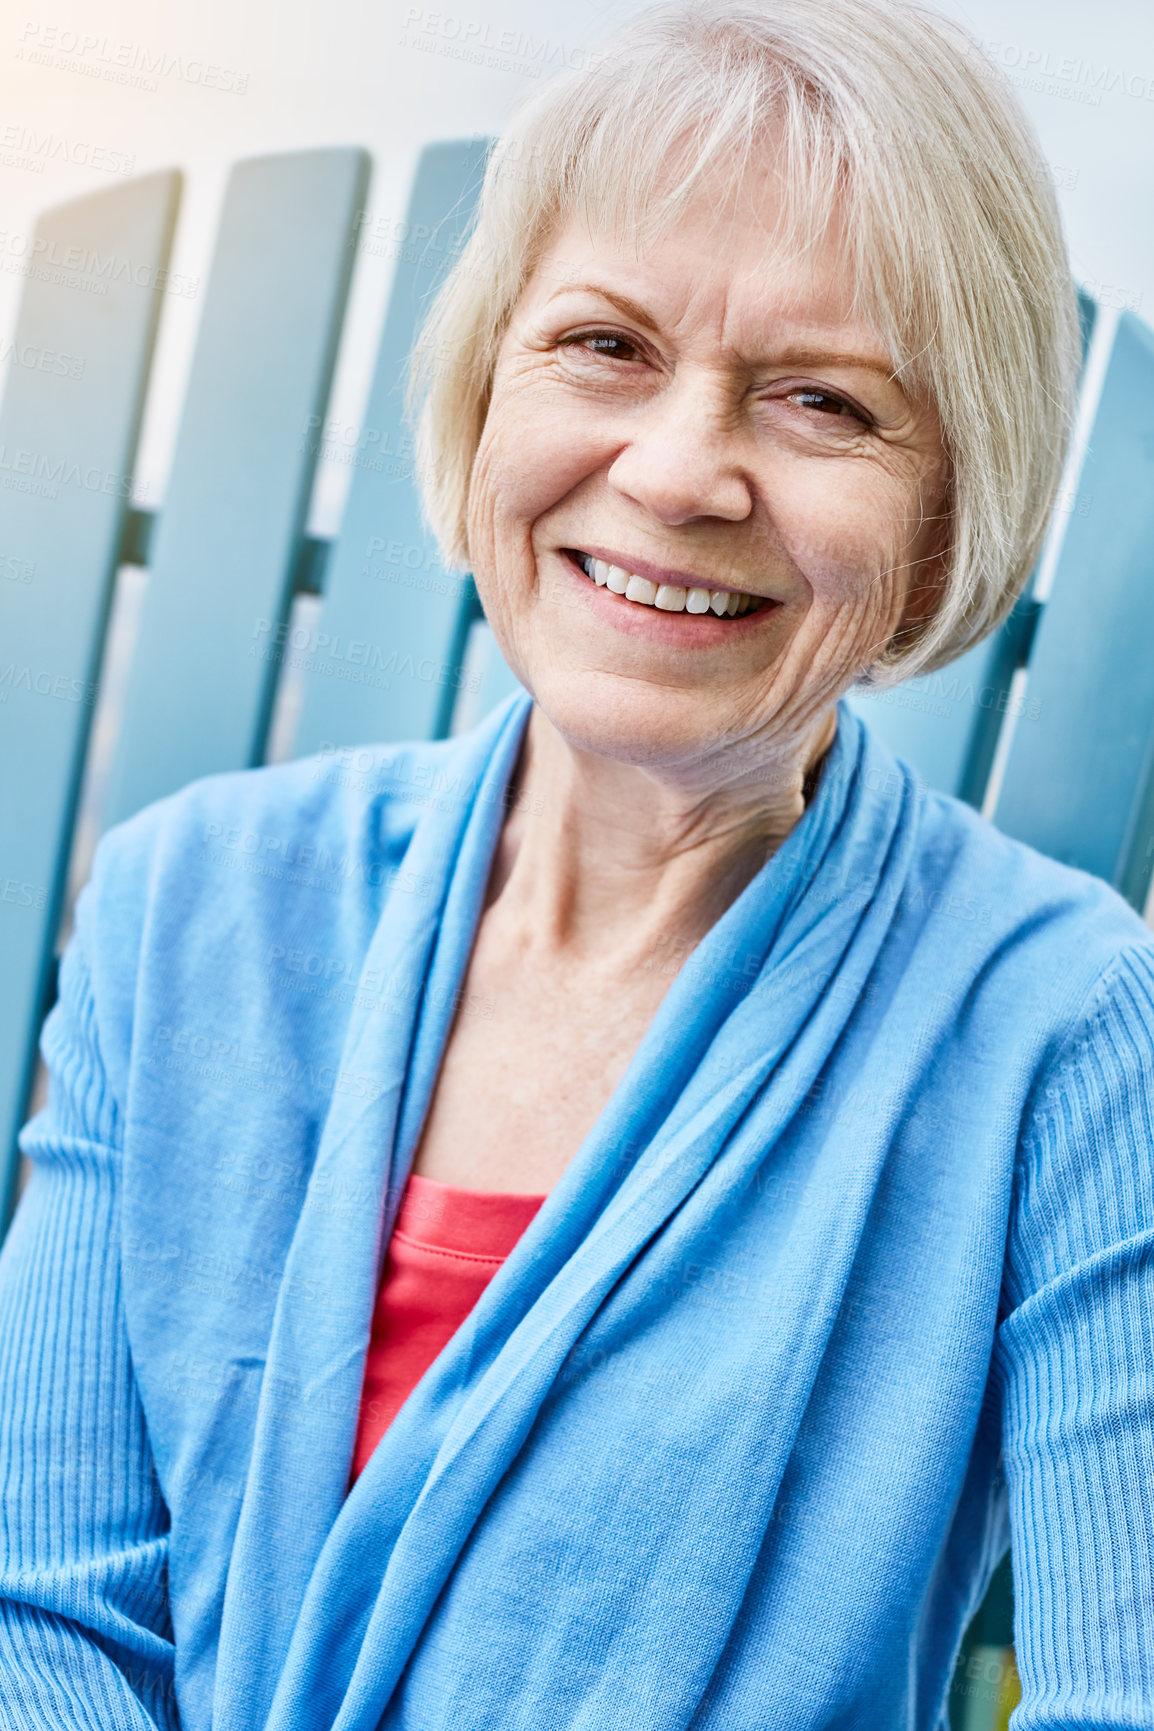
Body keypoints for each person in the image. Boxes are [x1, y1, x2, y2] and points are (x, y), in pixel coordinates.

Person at [2, 1, 1153, 1726]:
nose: (681, 470)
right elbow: (43, 1617)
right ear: (480, 408)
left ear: (937, 528)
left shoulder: (1069, 1039)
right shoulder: (189, 905)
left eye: (822, 400)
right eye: (606, 347)